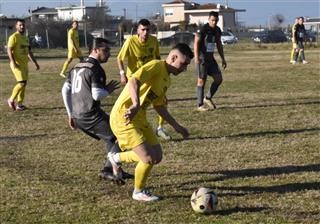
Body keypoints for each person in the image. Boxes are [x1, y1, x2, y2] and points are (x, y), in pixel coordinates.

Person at [108, 43, 193, 201]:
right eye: (183, 64)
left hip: (139, 118)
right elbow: (133, 81)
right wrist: (135, 104)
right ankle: (138, 192)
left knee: (157, 156)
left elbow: (159, 106)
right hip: (124, 117)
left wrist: (177, 126)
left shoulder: (166, 79)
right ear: (173, 57)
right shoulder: (155, 66)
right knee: (148, 158)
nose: (184, 69)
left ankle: (116, 158)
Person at [61, 37, 132, 183]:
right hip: (90, 114)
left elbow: (64, 90)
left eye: (109, 50)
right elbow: (97, 95)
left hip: (78, 114)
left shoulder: (77, 66)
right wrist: (108, 89)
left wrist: (70, 114)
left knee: (111, 136)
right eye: (105, 50)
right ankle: (108, 169)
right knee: (119, 135)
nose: (108, 54)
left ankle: (114, 168)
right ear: (95, 50)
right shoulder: (95, 68)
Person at [117, 19, 172, 140]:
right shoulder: (131, 41)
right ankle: (129, 129)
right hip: (135, 80)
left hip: (151, 78)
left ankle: (160, 128)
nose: (146, 32)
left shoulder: (153, 41)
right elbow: (120, 58)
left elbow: (157, 57)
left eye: (148, 29)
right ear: (138, 30)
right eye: (143, 29)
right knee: (136, 106)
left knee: (162, 102)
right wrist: (122, 74)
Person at [194, 11, 227, 112]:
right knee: (201, 81)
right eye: (212, 20)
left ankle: (207, 98)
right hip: (202, 59)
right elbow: (196, 43)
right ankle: (200, 105)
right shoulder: (203, 29)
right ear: (208, 20)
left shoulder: (217, 30)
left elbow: (219, 44)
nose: (214, 22)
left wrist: (223, 58)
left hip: (211, 59)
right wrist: (196, 58)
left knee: (218, 79)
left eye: (216, 20)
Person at [7, 19, 40, 111]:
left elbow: (29, 52)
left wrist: (35, 63)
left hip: (24, 64)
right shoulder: (14, 37)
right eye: (20, 25)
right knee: (21, 83)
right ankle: (11, 99)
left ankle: (19, 104)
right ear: (16, 26)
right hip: (16, 64)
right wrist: (13, 62)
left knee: (24, 84)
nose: (22, 27)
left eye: (23, 25)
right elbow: (9, 50)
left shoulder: (25, 38)